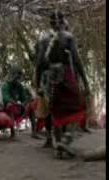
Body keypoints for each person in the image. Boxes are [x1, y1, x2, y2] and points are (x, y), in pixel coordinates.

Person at [35, 11, 90, 159]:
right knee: (79, 108)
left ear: (50, 23)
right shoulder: (68, 37)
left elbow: (39, 64)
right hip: (65, 75)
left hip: (49, 77)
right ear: (63, 21)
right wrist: (85, 82)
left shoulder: (43, 39)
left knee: (55, 112)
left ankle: (58, 148)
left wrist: (37, 84)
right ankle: (65, 140)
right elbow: (77, 61)